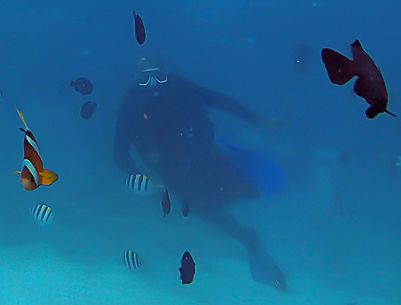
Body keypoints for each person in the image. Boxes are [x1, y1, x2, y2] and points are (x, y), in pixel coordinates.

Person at [113, 51, 288, 290]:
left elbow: (219, 100)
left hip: (205, 156)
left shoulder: (179, 87)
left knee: (238, 194)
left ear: (167, 73)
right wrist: (146, 181)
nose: (152, 83)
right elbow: (118, 152)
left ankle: (252, 238)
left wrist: (258, 120)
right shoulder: (131, 103)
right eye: (144, 78)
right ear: (135, 79)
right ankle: (247, 239)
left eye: (158, 76)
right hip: (174, 171)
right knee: (208, 210)